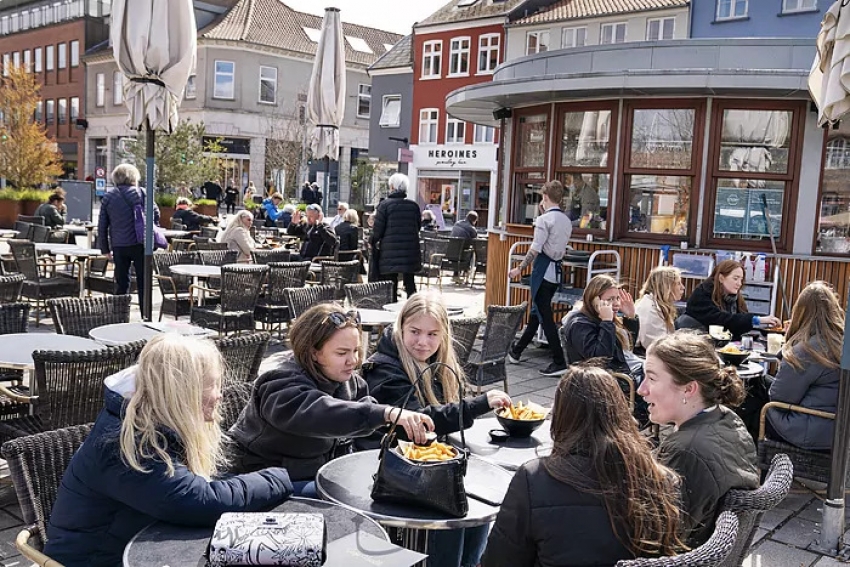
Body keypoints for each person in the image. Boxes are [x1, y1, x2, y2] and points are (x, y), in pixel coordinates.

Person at [43, 335, 293, 567]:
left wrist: (297, 484)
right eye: (212, 385)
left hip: (144, 540)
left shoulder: (154, 421)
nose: (219, 395)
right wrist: (281, 478)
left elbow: (199, 488)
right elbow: (200, 501)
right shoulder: (127, 444)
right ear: (181, 391)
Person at [361, 292, 511, 567]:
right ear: (401, 327)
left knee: (476, 510)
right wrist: (478, 404)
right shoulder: (383, 369)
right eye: (415, 332)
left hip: (428, 470)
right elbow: (420, 422)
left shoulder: (438, 365)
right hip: (390, 472)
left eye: (432, 334)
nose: (423, 342)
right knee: (454, 517)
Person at [482, 365, 684, 567]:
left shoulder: (533, 479)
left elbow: (500, 559)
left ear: (562, 416)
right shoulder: (660, 479)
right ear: (619, 412)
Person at [228, 303, 434, 486]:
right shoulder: (280, 383)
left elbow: (367, 433)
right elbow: (319, 413)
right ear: (314, 352)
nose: (353, 361)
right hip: (267, 478)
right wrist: (385, 413)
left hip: (324, 471)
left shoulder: (351, 382)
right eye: (342, 353)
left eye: (356, 351)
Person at [638, 331, 759, 547]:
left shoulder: (686, 451)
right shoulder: (726, 418)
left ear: (689, 389)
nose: (641, 389)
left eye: (652, 378)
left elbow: (653, 539)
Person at [765, 281, 842, 451]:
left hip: (809, 432)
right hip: (836, 431)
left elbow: (779, 398)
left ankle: (763, 470)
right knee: (762, 383)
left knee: (753, 403)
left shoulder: (807, 350)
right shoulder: (840, 343)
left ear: (800, 312)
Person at [507, 180, 572, 377]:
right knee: (538, 311)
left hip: (543, 270)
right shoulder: (566, 221)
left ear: (544, 197)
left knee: (544, 315)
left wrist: (519, 268)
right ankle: (517, 350)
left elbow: (535, 248)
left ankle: (559, 360)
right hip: (555, 271)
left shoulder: (544, 220)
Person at [98, 164, 160, 306]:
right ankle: (146, 315)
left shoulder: (108, 197)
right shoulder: (142, 193)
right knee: (143, 282)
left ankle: (120, 315)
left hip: (119, 245)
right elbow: (155, 214)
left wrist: (105, 249)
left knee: (121, 282)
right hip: (141, 244)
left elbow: (102, 225)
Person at [685, 259, 780, 337]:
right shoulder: (702, 295)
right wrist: (758, 320)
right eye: (735, 278)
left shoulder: (735, 298)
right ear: (721, 278)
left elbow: (739, 322)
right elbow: (721, 320)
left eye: (741, 279)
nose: (739, 283)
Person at [371, 173, 422, 299]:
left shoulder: (385, 206)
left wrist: (371, 240)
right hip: (410, 250)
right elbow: (418, 226)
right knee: (410, 281)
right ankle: (414, 308)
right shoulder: (413, 206)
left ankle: (391, 307)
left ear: (392, 187)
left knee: (391, 282)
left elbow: (378, 230)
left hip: (390, 251)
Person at [634, 266, 685, 351]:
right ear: (666, 286)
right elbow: (653, 345)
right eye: (678, 283)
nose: (682, 287)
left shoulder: (660, 304)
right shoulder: (650, 309)